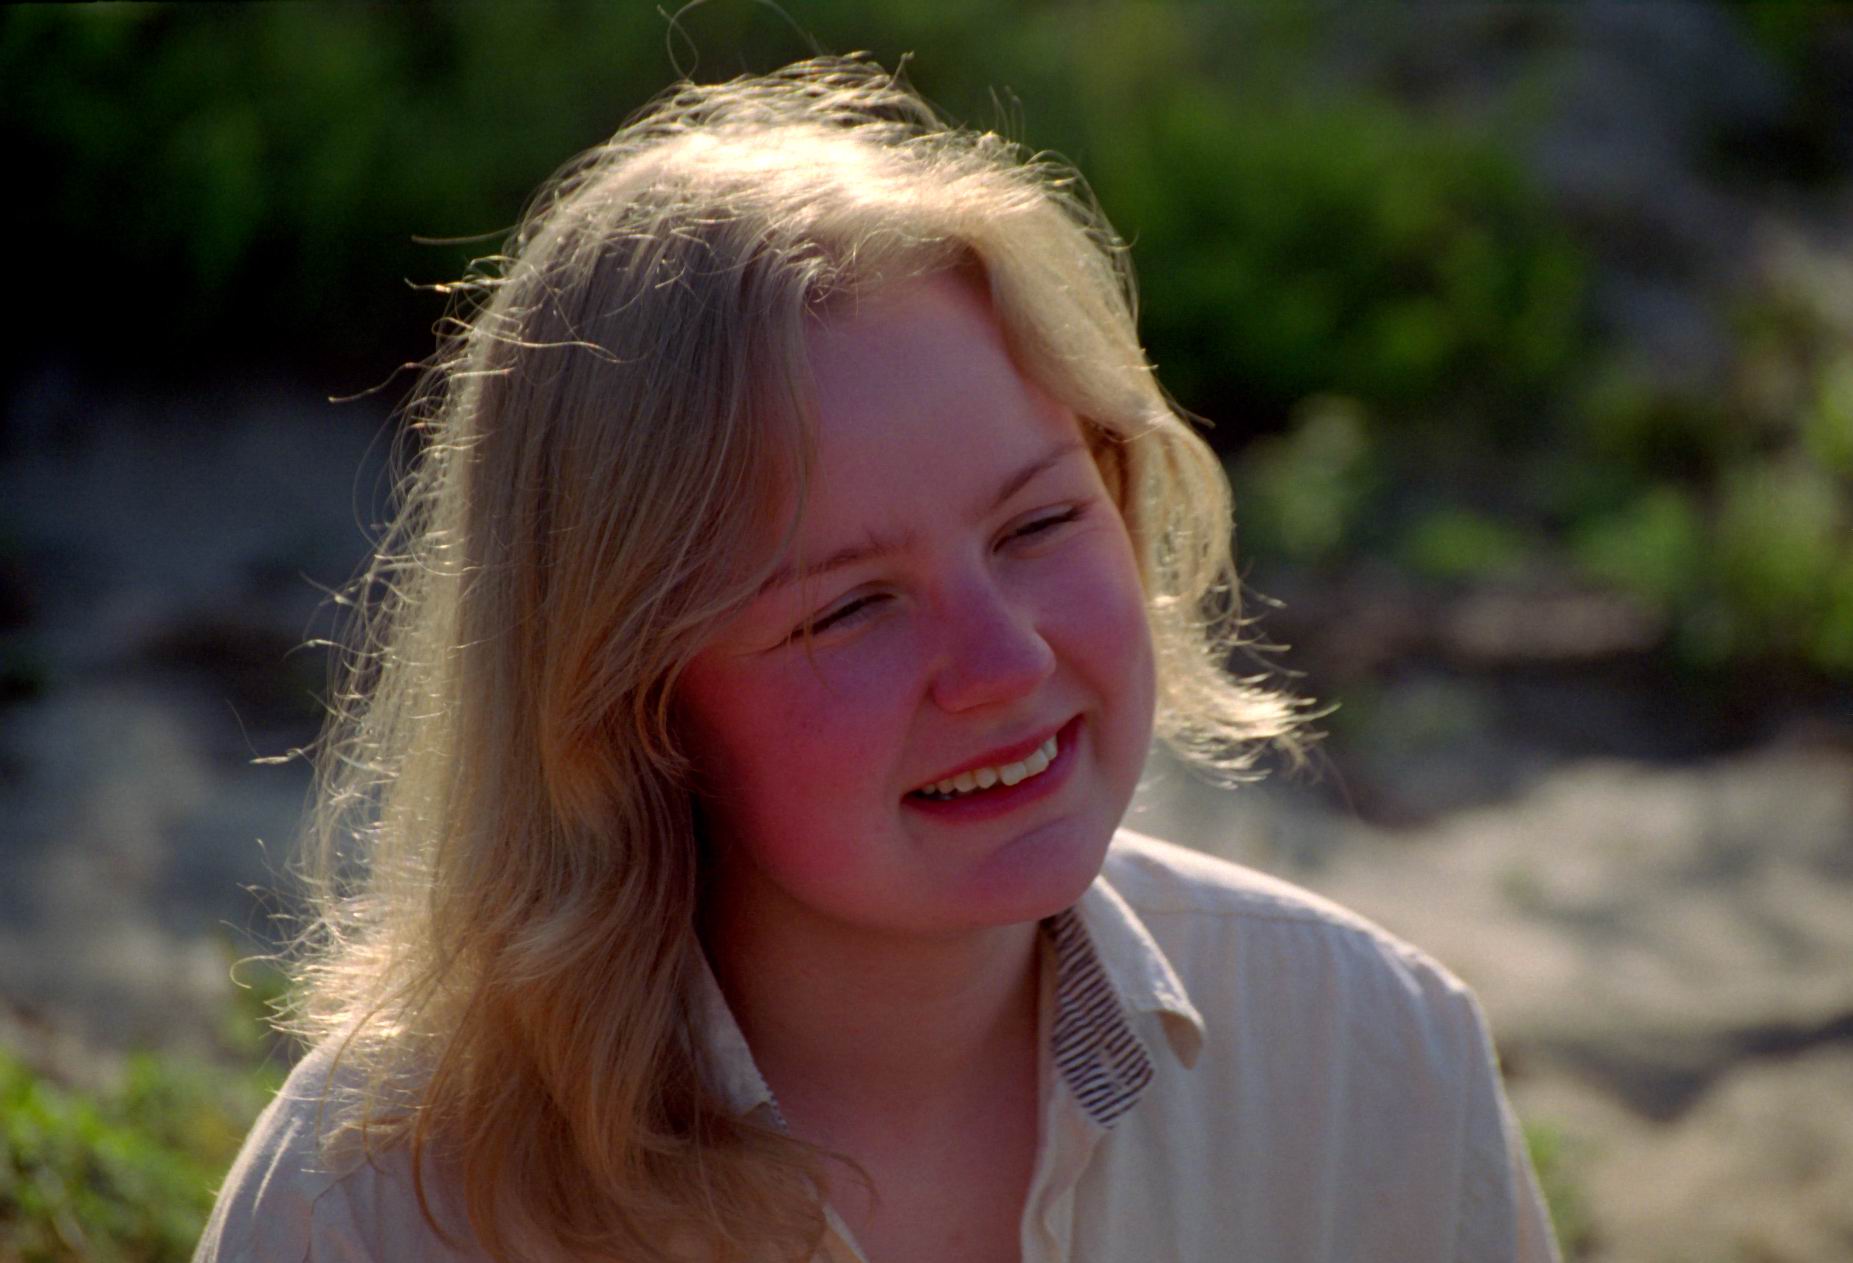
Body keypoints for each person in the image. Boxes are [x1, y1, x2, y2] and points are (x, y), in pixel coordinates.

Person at [195, 57, 1560, 1263]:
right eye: (849, 608)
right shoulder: (367, 1210)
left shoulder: (1375, 1061)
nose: (1001, 660)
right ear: (627, 703)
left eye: (1037, 524)